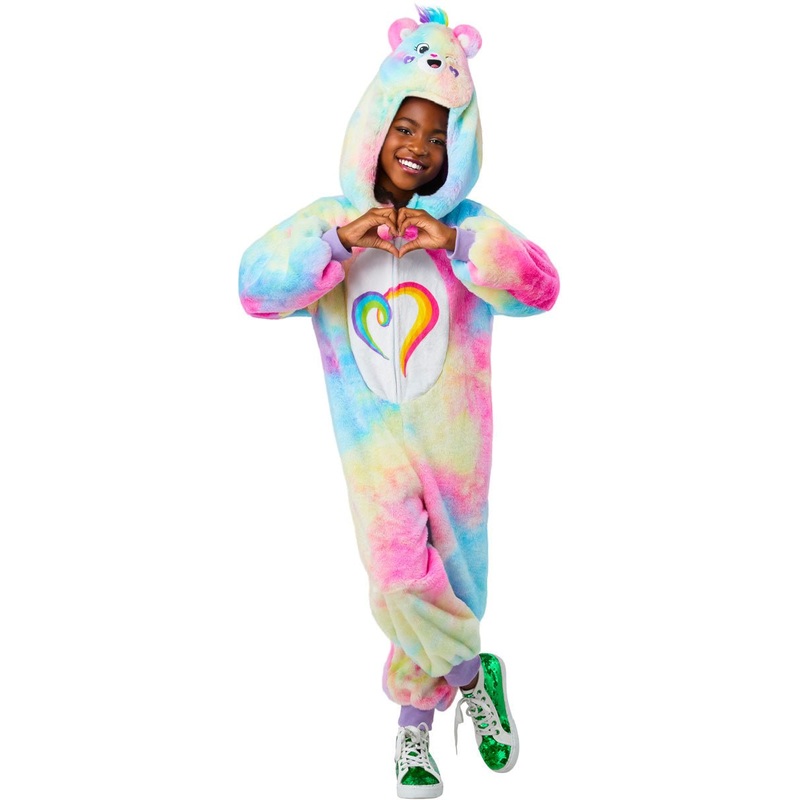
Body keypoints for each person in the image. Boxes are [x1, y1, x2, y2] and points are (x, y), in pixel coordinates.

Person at [239, 6, 559, 797]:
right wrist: (340, 244)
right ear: (374, 127)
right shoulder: (329, 222)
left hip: (456, 447)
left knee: (453, 583)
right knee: (396, 580)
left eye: (439, 136)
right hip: (372, 445)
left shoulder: (469, 227)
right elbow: (254, 289)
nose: (418, 147)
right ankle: (472, 673)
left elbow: (542, 289)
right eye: (405, 127)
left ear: (460, 148)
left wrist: (456, 244)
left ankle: (414, 729)